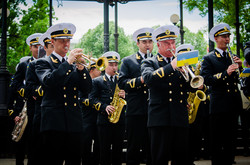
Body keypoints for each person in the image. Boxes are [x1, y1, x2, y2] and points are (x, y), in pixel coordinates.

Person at [141, 25, 200, 165]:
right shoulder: (150, 62)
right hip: (160, 118)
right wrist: (171, 67)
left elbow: (189, 87)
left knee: (181, 159)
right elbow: (149, 79)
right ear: (158, 44)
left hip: (179, 117)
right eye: (167, 43)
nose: (171, 46)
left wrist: (195, 80)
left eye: (173, 42)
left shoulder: (183, 63)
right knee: (159, 159)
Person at [35, 23, 92, 165]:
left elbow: (87, 89)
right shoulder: (43, 63)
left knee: (74, 160)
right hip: (54, 122)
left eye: (68, 40)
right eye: (62, 40)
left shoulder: (73, 65)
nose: (66, 44)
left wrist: (81, 70)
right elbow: (49, 81)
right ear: (53, 42)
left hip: (74, 121)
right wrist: (68, 62)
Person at [200, 23, 243, 165]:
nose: (227, 39)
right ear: (216, 38)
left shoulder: (233, 56)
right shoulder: (209, 58)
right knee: (217, 141)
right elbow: (207, 80)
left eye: (228, 36)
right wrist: (226, 73)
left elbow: (238, 78)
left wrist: (240, 67)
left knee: (231, 140)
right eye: (224, 37)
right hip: (219, 105)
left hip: (233, 103)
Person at [118, 27, 154, 165]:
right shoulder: (128, 61)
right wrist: (141, 80)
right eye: (144, 42)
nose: (147, 44)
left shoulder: (156, 59)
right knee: (133, 147)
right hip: (136, 110)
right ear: (137, 43)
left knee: (152, 148)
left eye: (150, 41)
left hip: (154, 110)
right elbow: (122, 83)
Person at [89, 51, 126, 165]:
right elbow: (92, 99)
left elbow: (130, 98)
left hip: (119, 120)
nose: (114, 67)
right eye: (111, 64)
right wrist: (104, 107)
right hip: (104, 121)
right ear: (105, 65)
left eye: (116, 64)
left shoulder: (122, 80)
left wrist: (126, 95)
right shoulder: (97, 81)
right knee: (104, 151)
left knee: (118, 151)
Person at [11, 33, 42, 165]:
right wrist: (28, 93)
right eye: (35, 46)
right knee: (29, 141)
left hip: (45, 106)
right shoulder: (25, 65)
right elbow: (14, 84)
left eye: (41, 46)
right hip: (30, 107)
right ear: (31, 48)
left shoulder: (48, 62)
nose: (38, 48)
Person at [24, 32, 54, 165]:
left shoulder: (63, 64)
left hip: (57, 112)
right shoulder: (34, 64)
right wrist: (43, 90)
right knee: (36, 147)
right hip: (40, 109)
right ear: (45, 47)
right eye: (51, 46)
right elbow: (29, 87)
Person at [80, 60, 101, 165]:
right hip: (86, 118)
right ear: (92, 70)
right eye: (98, 69)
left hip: (98, 117)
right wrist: (92, 102)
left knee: (99, 144)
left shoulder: (100, 82)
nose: (101, 71)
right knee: (86, 144)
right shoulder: (83, 81)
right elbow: (80, 99)